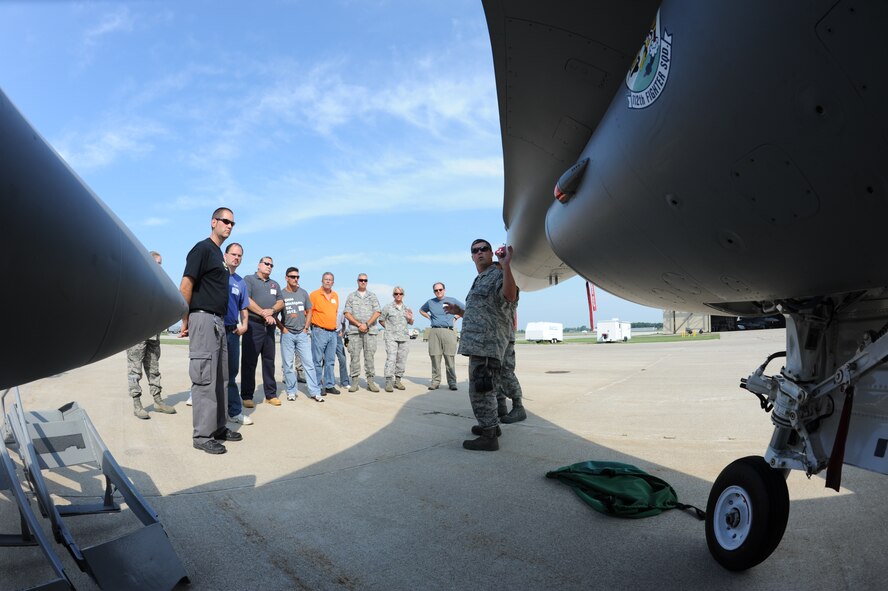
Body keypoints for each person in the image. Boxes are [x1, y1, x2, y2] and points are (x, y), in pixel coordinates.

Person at [180, 207, 244, 455]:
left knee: (221, 377)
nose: (229, 226)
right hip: (203, 319)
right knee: (205, 378)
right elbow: (186, 284)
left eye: (232, 223)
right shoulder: (202, 249)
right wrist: (185, 320)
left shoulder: (218, 255)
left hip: (219, 322)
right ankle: (203, 435)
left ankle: (218, 427)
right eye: (225, 221)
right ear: (213, 222)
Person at [445, 239, 518, 452]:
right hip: (479, 343)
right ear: (472, 257)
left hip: (487, 343)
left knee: (481, 388)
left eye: (484, 249)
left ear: (491, 253)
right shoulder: (480, 279)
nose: (479, 253)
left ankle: (489, 436)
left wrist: (506, 266)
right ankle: (492, 427)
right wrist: (460, 312)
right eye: (475, 251)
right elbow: (482, 313)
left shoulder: (498, 273)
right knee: (488, 387)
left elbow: (510, 296)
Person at [127, 251, 176, 419]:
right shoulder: (136, 281)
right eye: (157, 263)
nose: (160, 266)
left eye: (161, 263)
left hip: (154, 334)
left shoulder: (160, 284)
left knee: (154, 369)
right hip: (137, 334)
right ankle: (137, 403)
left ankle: (158, 400)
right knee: (135, 370)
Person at [277, 267, 324, 402]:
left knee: (308, 363)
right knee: (288, 364)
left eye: (297, 277)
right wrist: (283, 329)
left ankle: (314, 391)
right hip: (287, 334)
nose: (295, 279)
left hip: (302, 334)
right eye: (292, 277)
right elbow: (274, 315)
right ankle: (291, 391)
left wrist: (306, 327)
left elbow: (309, 310)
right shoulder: (281, 295)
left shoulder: (303, 293)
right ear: (286, 278)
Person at [241, 256, 284, 407]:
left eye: (271, 265)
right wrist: (263, 313)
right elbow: (246, 299)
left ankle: (270, 395)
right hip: (254, 325)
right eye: (266, 264)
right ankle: (247, 396)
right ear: (259, 265)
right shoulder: (249, 279)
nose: (269, 266)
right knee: (249, 362)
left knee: (269, 362)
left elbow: (280, 302)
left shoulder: (275, 284)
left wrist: (271, 310)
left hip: (270, 327)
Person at [223, 243, 253, 425]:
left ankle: (234, 411)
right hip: (214, 328)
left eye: (239, 255)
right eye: (233, 254)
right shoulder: (216, 275)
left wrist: (245, 325)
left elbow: (244, 308)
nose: (236, 258)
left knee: (231, 373)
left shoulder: (240, 282)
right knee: (211, 372)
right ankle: (210, 410)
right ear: (225, 255)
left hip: (232, 331)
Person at [419, 282, 462, 390]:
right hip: (435, 331)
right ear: (434, 291)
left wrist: (456, 318)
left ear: (444, 290)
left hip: (449, 331)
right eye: (436, 290)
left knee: (449, 357)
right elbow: (421, 310)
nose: (438, 292)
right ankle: (435, 381)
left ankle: (452, 382)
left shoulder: (452, 300)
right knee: (435, 357)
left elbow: (464, 310)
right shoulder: (430, 302)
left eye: (440, 289)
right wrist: (429, 318)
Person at [344, 274, 382, 392]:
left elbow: (377, 311)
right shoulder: (351, 296)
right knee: (354, 357)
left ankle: (370, 382)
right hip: (355, 332)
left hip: (370, 332)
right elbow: (347, 313)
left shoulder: (372, 296)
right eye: (361, 280)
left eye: (365, 280)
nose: (363, 282)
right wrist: (358, 324)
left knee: (369, 357)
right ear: (357, 281)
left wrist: (367, 324)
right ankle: (354, 382)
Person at [309, 272, 341, 395]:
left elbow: (336, 312)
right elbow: (309, 312)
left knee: (330, 360)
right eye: (326, 279)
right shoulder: (314, 295)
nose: (328, 281)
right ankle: (317, 385)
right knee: (317, 360)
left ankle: (329, 385)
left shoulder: (335, 295)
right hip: (319, 331)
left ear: (333, 282)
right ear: (322, 281)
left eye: (330, 280)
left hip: (332, 332)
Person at [378, 286, 414, 392]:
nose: (398, 295)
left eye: (400, 294)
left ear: (403, 295)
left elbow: (411, 323)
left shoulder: (407, 309)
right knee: (391, 359)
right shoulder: (388, 307)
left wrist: (410, 318)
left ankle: (398, 380)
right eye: (396, 293)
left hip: (404, 337)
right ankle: (389, 381)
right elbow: (381, 320)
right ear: (393, 295)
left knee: (402, 359)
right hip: (391, 337)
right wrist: (389, 328)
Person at [335, 310, 351, 389]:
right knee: (325, 360)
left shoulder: (340, 313)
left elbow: (343, 324)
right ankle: (322, 380)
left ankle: (344, 382)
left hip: (337, 335)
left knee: (342, 359)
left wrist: (342, 333)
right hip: (326, 334)